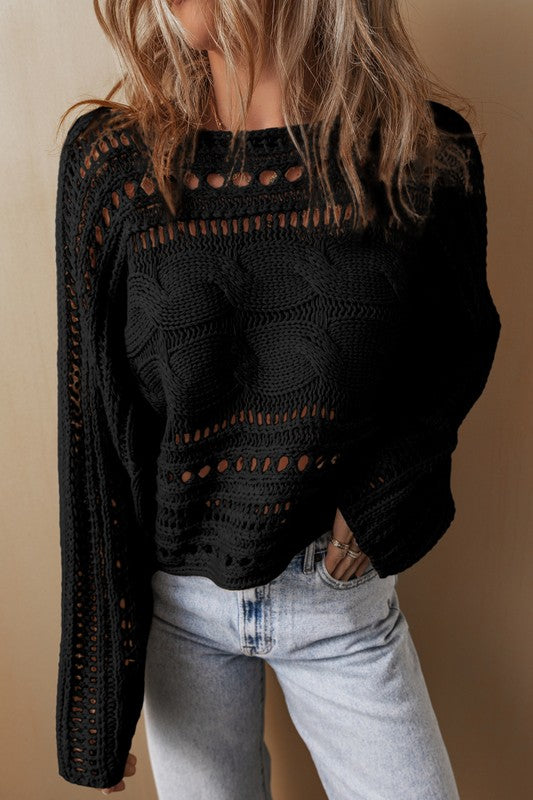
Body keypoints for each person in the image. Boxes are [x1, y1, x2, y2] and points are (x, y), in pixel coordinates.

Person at [54, 1, 501, 798]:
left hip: (337, 605)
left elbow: (455, 352)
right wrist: (98, 695)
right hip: (180, 611)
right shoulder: (114, 164)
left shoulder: (417, 152)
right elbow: (93, 433)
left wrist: (378, 505)